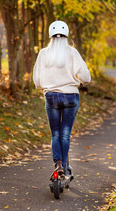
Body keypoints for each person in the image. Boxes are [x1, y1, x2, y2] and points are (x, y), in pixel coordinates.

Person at [33, 21, 91, 176]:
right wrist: (80, 82)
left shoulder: (43, 53)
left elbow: (36, 80)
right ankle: (64, 167)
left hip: (51, 97)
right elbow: (86, 76)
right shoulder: (73, 52)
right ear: (67, 35)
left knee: (55, 134)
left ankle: (58, 165)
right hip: (71, 97)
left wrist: (44, 88)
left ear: (50, 36)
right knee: (65, 134)